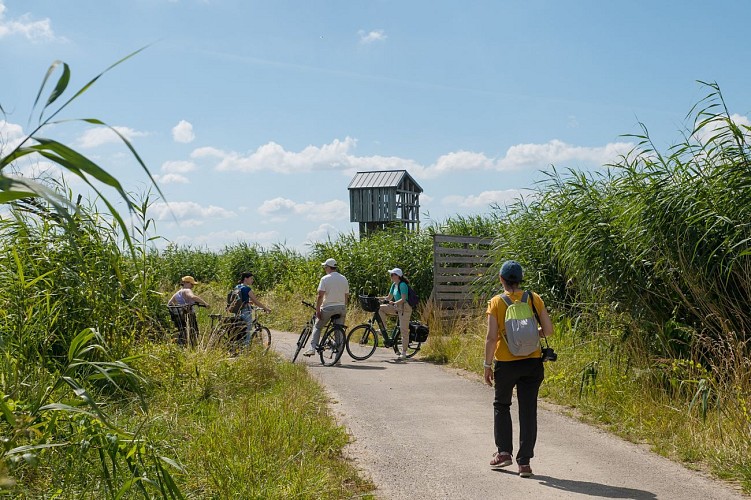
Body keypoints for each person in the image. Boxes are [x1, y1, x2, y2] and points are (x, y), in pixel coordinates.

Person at [483, 260, 553, 478]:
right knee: (528, 410)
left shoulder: (496, 302)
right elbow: (548, 331)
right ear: (520, 279)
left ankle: (504, 453)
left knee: (502, 405)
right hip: (532, 363)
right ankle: (524, 463)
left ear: (501, 279)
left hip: (506, 363)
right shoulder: (534, 298)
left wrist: (487, 365)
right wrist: (532, 335)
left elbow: (492, 337)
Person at [303, 258, 349, 356]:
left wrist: (318, 309)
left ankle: (312, 348)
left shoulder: (325, 279)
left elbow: (320, 296)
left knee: (317, 326)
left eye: (325, 267)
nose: (324, 269)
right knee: (338, 332)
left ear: (328, 267)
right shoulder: (344, 278)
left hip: (329, 307)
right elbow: (346, 296)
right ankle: (338, 358)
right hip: (341, 308)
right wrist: (344, 308)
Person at [377, 267, 413, 361]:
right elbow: (389, 297)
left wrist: (395, 303)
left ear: (398, 276)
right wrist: (378, 298)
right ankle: (383, 328)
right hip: (397, 307)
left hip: (405, 309)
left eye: (392, 275)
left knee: (403, 330)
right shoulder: (394, 285)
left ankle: (404, 352)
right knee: (380, 309)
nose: (391, 276)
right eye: (391, 274)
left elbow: (404, 299)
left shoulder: (403, 285)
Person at [231, 272, 271, 345]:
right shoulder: (247, 288)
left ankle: (237, 346)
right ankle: (246, 349)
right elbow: (256, 302)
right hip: (245, 312)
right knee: (248, 331)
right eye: (251, 278)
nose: (252, 280)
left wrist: (248, 302)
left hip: (236, 312)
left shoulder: (237, 287)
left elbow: (239, 299)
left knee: (238, 330)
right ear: (246, 279)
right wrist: (266, 308)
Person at [167, 275, 209, 346]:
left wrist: (180, 306)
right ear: (187, 283)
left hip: (180, 317)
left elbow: (169, 304)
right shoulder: (187, 290)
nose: (193, 286)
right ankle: (193, 347)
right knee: (194, 332)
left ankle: (182, 344)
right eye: (192, 284)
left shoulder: (177, 293)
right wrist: (205, 303)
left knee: (183, 330)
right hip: (189, 315)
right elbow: (192, 297)